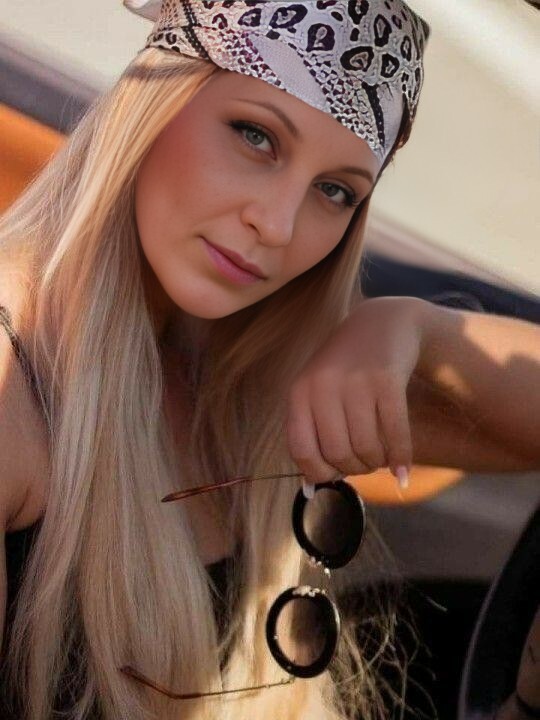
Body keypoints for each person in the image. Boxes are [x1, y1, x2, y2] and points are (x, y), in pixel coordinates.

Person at [0, 1, 538, 719]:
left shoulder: (247, 374)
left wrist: (413, 327)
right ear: (152, 103)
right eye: (255, 136)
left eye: (335, 191)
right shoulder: (12, 378)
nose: (278, 225)